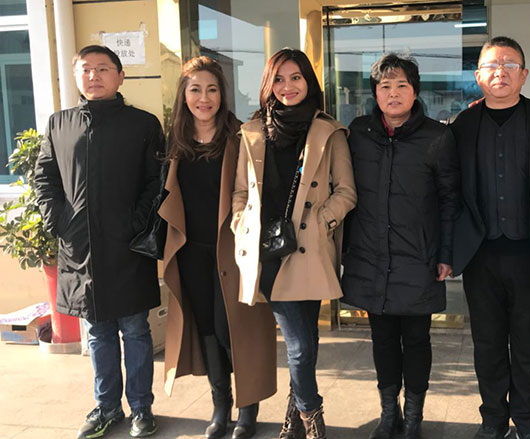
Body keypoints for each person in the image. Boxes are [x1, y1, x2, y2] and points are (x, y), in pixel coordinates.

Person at [33, 45, 163, 438]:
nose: (94, 76)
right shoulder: (60, 124)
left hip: (128, 248)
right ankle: (107, 408)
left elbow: (156, 182)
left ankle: (141, 408)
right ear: (76, 77)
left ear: (120, 76)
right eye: (86, 69)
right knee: (98, 333)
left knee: (136, 330)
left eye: (103, 68)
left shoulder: (143, 124)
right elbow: (44, 178)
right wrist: (60, 222)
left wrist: (134, 224)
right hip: (80, 250)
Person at [231, 48, 356, 439]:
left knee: (308, 340)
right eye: (279, 79)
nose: (288, 86)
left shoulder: (329, 131)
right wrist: (240, 222)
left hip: (309, 250)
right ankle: (312, 419)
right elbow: (240, 192)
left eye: (296, 77)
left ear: (308, 82)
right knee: (300, 345)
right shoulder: (252, 132)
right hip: (268, 253)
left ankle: (294, 421)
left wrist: (320, 224)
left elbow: (346, 192)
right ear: (269, 85)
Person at [450, 36, 530, 439]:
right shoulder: (461, 127)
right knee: (486, 346)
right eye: (491, 65)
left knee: (529, 348)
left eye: (509, 65)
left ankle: (529, 424)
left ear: (524, 75)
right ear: (478, 76)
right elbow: (450, 192)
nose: (500, 72)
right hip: (480, 256)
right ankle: (493, 421)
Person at [342, 54, 460, 439]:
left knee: (417, 339)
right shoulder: (359, 133)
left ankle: (413, 417)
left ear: (415, 91)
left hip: (418, 256)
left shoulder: (437, 137)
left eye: (401, 86)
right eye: (385, 86)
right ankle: (388, 413)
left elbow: (449, 200)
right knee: (382, 339)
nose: (393, 94)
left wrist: (446, 254)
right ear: (375, 93)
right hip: (371, 254)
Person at [158, 56, 277, 439]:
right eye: (195, 90)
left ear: (222, 94)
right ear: (184, 95)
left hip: (234, 250)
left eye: (211, 89)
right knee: (208, 329)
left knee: (234, 330)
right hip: (191, 250)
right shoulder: (175, 143)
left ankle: (248, 408)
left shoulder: (240, 138)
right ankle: (220, 406)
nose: (204, 98)